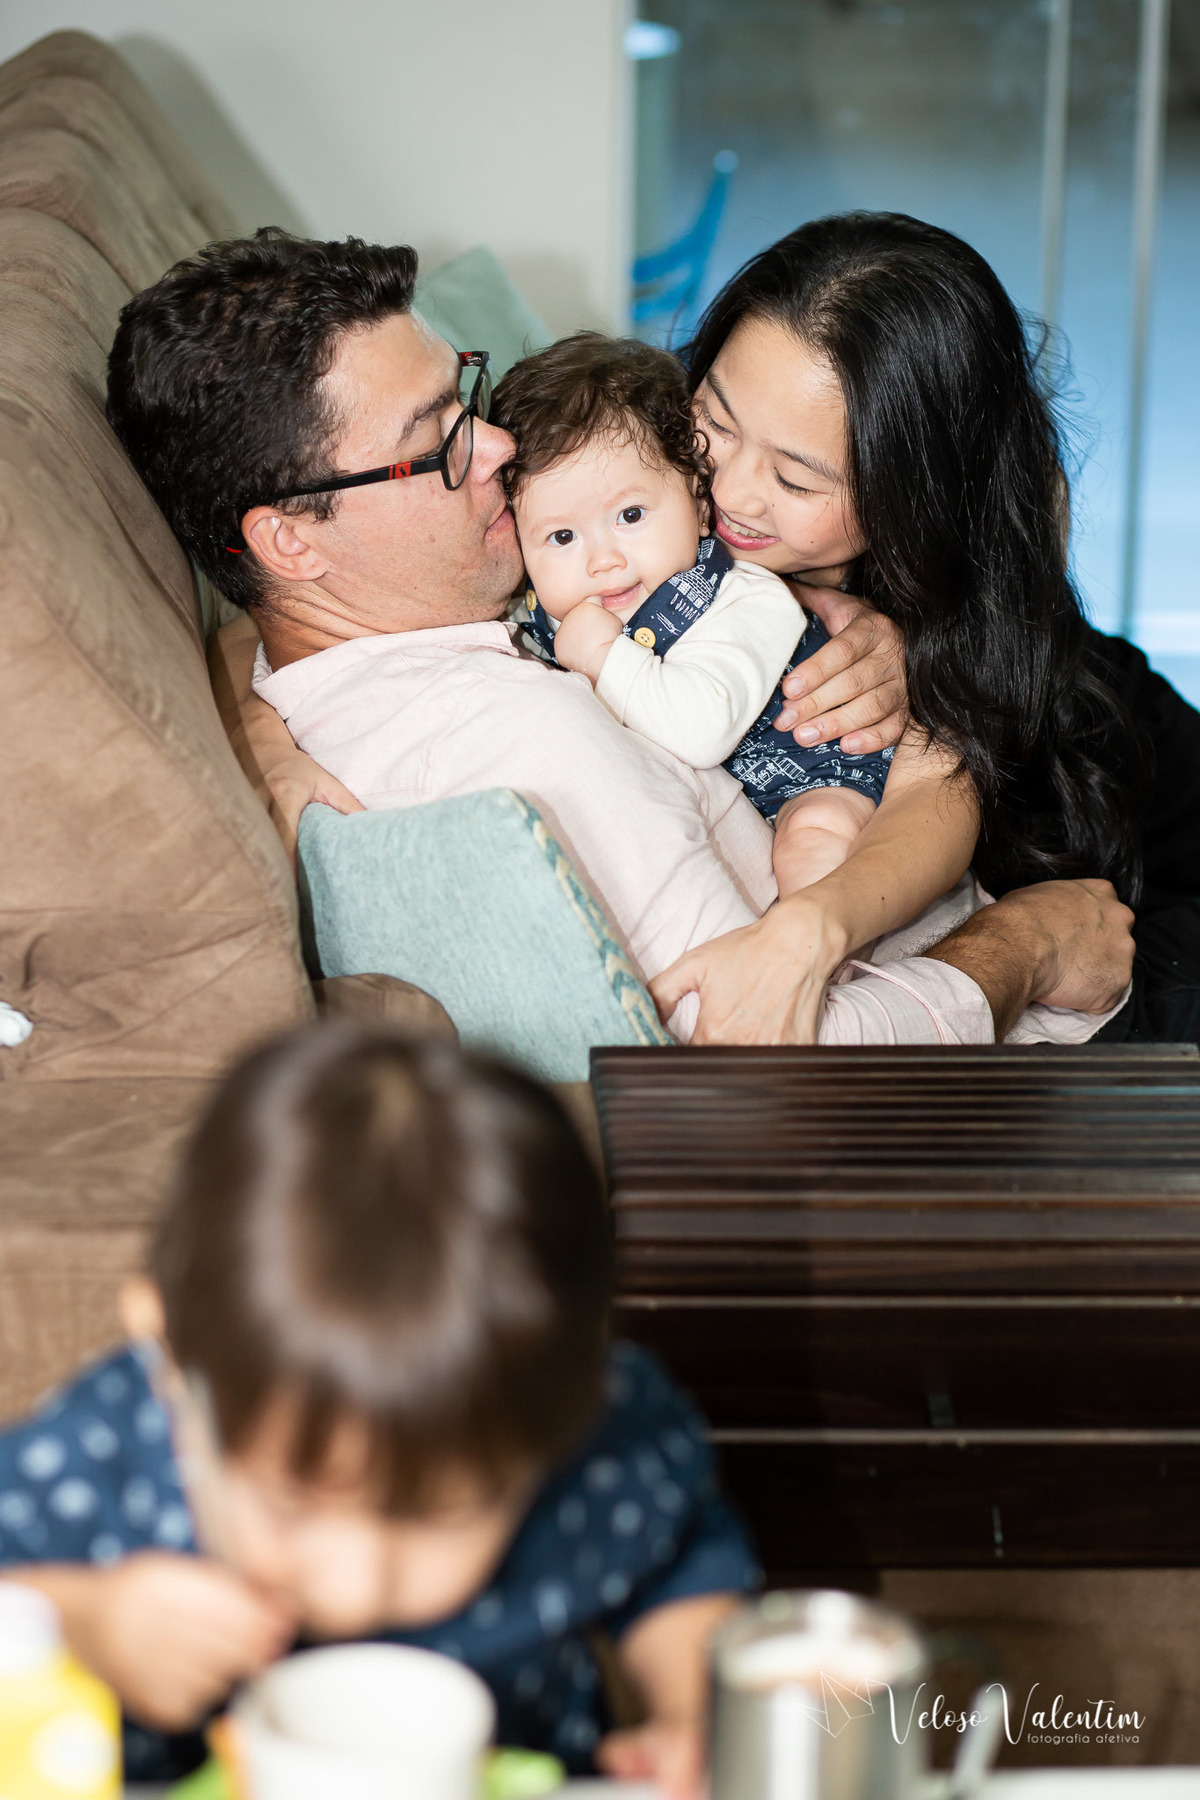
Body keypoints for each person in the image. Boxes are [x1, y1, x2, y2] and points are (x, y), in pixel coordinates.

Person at [105, 228, 1134, 1047]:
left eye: (468, 392)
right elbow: (792, 1059)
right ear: (290, 538)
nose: (503, 446)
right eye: (440, 441)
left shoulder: (433, 602)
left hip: (1097, 762)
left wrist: (255, 721)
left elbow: (265, 620)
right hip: (1049, 940)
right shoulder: (526, 727)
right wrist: (1031, 943)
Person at [0, 1022, 759, 1797]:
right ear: (169, 1364)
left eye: (446, 1517)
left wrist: (693, 1710)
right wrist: (75, 1626)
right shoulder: (98, 1459)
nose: (357, 1587)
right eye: (292, 1508)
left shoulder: (593, 1432)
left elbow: (678, 1558)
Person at [655, 210, 1200, 1045]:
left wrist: (915, 648)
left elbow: (943, 794)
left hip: (1132, 882)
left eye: (797, 480)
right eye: (716, 423)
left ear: (919, 499)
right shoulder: (638, 500)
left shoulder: (974, 648)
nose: (732, 491)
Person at [492, 330, 934, 898]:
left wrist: (604, 657)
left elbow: (700, 733)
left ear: (700, 505)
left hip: (817, 770)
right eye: (560, 535)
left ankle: (820, 958)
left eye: (630, 514)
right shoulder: (539, 611)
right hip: (726, 800)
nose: (603, 559)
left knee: (813, 840)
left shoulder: (747, 597)